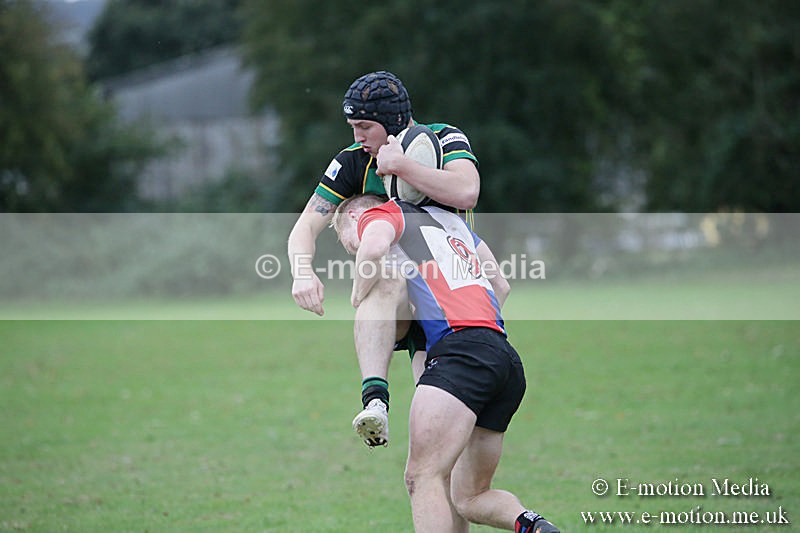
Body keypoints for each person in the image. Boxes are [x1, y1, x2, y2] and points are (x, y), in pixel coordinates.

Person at [331, 194, 560, 533]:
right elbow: (501, 285)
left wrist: (357, 296)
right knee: (469, 496)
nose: (353, 250)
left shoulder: (380, 214)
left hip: (461, 356)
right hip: (503, 357)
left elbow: (373, 249)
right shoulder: (455, 225)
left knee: (421, 476)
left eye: (348, 242)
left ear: (354, 215)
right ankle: (533, 525)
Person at [287, 70, 481, 444]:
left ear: (392, 121)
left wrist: (402, 166)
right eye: (352, 127)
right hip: (402, 302)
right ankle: (375, 400)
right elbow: (304, 227)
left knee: (446, 443)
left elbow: (467, 192)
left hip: (455, 301)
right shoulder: (352, 162)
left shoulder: (444, 139)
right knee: (386, 276)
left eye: (364, 127)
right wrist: (302, 272)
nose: (357, 137)